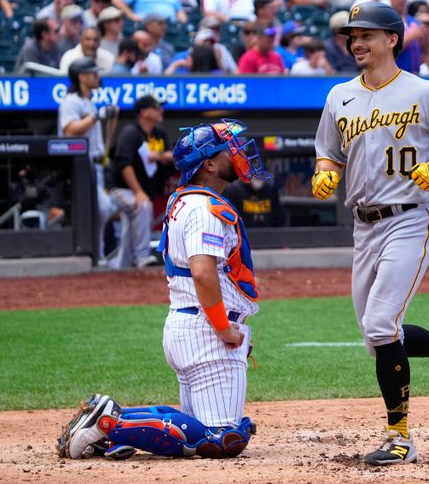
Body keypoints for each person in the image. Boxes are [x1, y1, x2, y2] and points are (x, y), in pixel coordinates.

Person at [311, 2, 429, 466]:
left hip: (410, 218)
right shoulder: (338, 97)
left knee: (379, 325)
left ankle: (400, 437)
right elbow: (328, 153)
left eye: (367, 33)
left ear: (392, 39)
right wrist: (324, 172)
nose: (357, 42)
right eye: (352, 35)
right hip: (362, 227)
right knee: (377, 338)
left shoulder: (423, 92)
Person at [57, 119, 272, 461]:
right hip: (206, 331)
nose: (238, 151)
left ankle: (115, 418)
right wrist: (223, 327)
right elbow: (203, 272)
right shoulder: (204, 208)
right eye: (228, 148)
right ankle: (111, 426)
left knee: (196, 425)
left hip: (191, 325)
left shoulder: (185, 200)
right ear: (209, 164)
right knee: (221, 439)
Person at [57, 57, 118, 261]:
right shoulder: (71, 101)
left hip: (96, 164)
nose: (97, 76)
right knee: (101, 208)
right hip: (79, 166)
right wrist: (96, 116)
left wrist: (109, 117)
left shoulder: (88, 101)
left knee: (104, 208)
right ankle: (94, 252)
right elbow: (69, 131)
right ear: (82, 77)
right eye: (93, 73)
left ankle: (98, 253)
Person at [107, 94, 172, 269]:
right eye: (156, 107)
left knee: (132, 223)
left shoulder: (160, 133)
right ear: (144, 112)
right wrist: (138, 192)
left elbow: (172, 155)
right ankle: (142, 256)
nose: (161, 110)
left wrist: (159, 156)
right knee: (143, 207)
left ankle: (122, 266)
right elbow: (124, 165)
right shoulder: (131, 132)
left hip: (145, 190)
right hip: (121, 190)